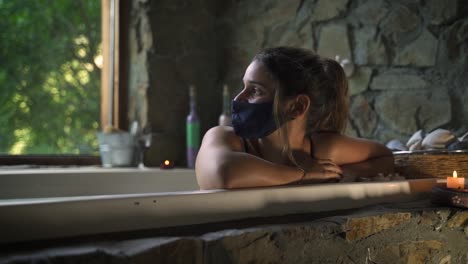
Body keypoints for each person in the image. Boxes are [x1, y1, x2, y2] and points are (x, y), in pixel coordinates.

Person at [195, 47, 394, 190]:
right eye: (243, 87)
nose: (238, 98)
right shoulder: (224, 137)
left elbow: (385, 157)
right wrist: (303, 175)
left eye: (255, 90)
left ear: (297, 107)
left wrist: (347, 174)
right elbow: (223, 173)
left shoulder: (322, 150)